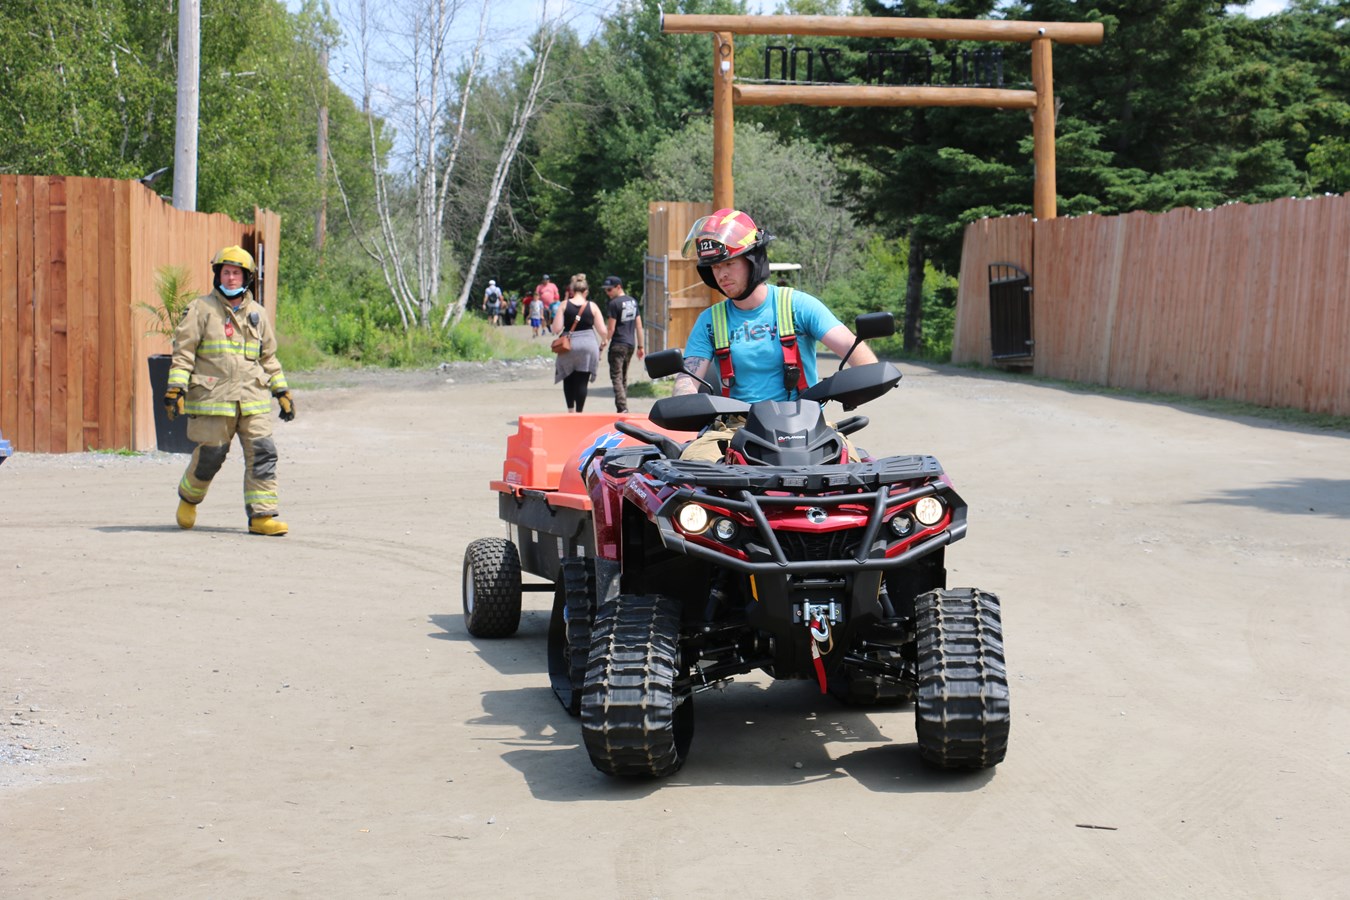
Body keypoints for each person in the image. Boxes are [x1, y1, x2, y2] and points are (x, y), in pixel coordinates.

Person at [674, 208, 877, 462]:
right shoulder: (710, 321)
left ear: (753, 260)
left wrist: (855, 386)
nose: (721, 274)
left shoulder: (798, 305)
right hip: (735, 431)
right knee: (693, 467)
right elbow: (687, 381)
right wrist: (684, 400)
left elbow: (854, 351)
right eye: (715, 267)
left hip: (807, 427)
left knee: (852, 468)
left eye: (729, 263)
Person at [164, 245, 295, 536]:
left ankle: (262, 517)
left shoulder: (258, 314)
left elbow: (269, 358)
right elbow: (183, 353)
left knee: (263, 453)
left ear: (246, 278)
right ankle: (189, 500)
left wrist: (282, 391)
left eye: (236, 273)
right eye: (226, 272)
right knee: (211, 456)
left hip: (252, 399)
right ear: (218, 275)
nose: (231, 278)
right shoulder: (200, 310)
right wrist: (175, 389)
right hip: (214, 400)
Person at [551, 274, 609, 413]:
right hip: (588, 345)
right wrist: (604, 340)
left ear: (572, 290)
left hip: (568, 346)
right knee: (582, 381)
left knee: (568, 378)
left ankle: (570, 412)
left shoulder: (564, 305)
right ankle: (579, 413)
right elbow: (602, 330)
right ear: (586, 291)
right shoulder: (592, 306)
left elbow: (556, 328)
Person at [601, 275, 645, 413]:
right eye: (606, 290)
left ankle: (622, 407)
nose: (607, 293)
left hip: (618, 344)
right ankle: (623, 405)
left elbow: (611, 328)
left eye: (609, 289)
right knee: (623, 376)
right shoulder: (633, 302)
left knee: (616, 376)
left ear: (618, 287)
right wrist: (641, 346)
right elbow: (639, 326)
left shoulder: (614, 304)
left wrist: (604, 342)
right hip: (630, 344)